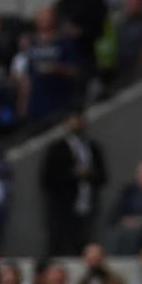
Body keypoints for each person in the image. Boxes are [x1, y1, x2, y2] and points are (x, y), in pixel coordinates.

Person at [40, 110, 106, 256]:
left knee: (83, 241)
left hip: (87, 203)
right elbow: (48, 178)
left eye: (78, 120)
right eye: (72, 120)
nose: (75, 124)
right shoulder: (57, 148)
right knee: (59, 243)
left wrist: (89, 174)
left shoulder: (92, 147)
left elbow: (103, 176)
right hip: (63, 205)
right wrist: (73, 174)